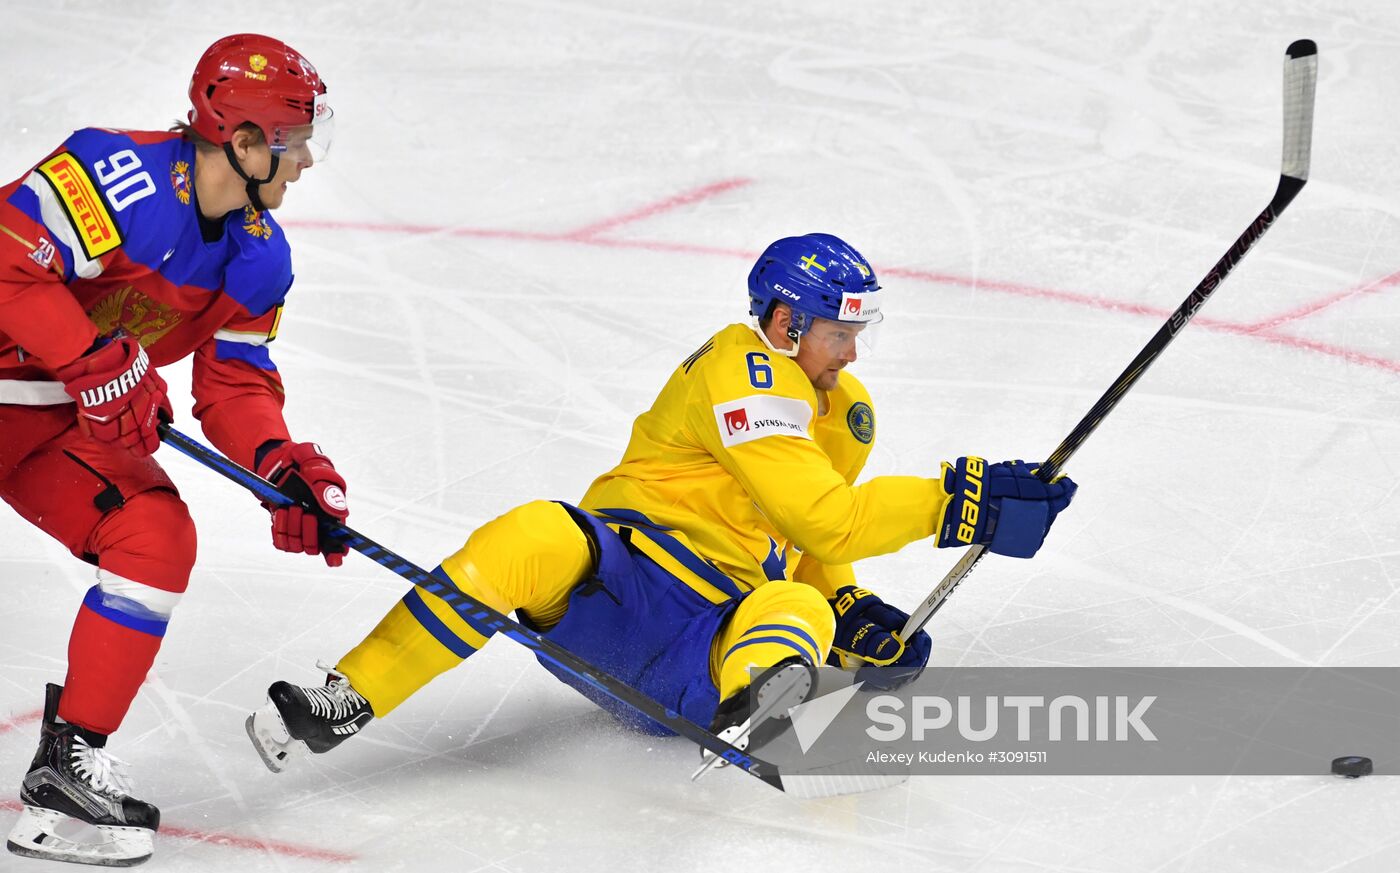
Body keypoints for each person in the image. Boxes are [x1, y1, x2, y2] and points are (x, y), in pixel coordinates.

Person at [248, 232, 1077, 776]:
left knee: (789, 599)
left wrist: (844, 598)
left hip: (706, 640)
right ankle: (345, 698)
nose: (853, 351)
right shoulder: (743, 367)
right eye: (838, 330)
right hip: (620, 582)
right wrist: (957, 504)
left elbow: (810, 524)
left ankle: (760, 703)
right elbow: (828, 516)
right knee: (537, 531)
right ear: (785, 322)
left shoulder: (844, 407)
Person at [1, 34, 350, 867]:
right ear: (240, 140)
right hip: (44, 389)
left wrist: (280, 467)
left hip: (37, 425)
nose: (302, 163)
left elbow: (235, 381)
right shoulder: (116, 176)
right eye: (291, 142)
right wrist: (92, 359)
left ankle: (65, 763)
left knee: (154, 534)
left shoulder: (260, 256)